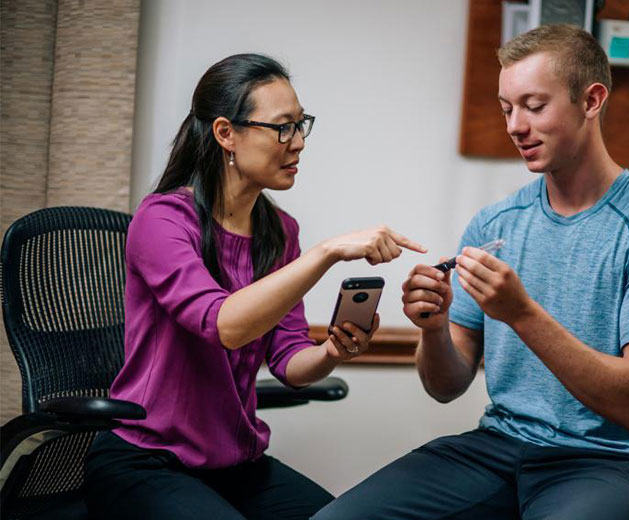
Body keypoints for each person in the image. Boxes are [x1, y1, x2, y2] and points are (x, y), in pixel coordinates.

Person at [313, 24, 629, 520]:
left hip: (610, 462)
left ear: (591, 101)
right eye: (506, 109)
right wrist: (434, 328)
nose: (516, 126)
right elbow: (445, 385)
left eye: (534, 106)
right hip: (500, 446)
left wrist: (521, 314)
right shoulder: (494, 225)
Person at [83, 53, 425, 520]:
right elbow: (223, 325)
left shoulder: (279, 232)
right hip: (145, 460)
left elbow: (289, 362)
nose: (298, 142)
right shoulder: (162, 219)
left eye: (301, 124)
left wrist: (332, 352)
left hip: (236, 464)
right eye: (283, 127)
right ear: (226, 133)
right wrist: (326, 253)